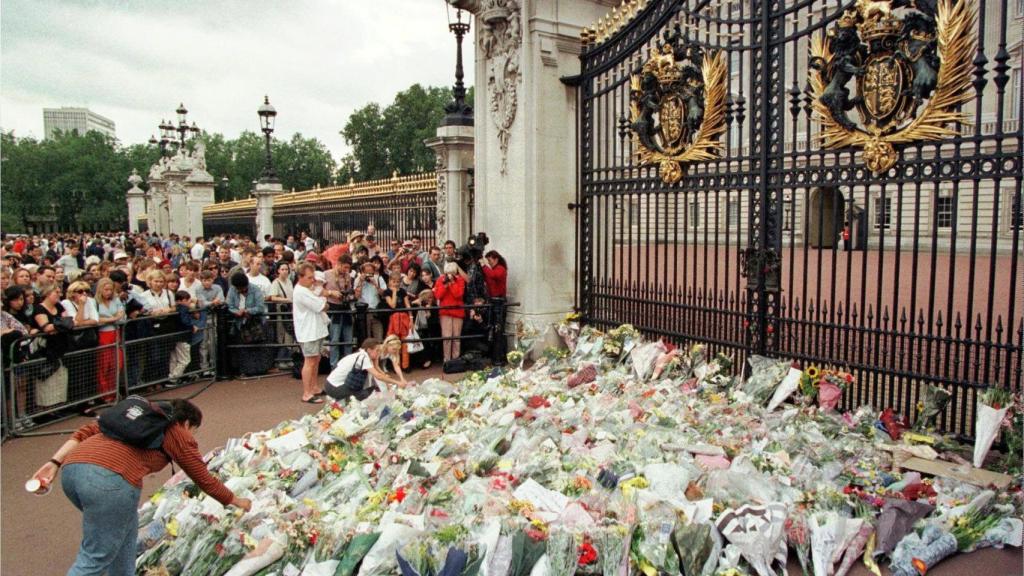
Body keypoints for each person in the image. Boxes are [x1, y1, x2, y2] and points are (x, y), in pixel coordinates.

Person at [27, 399, 251, 576]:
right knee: (96, 556)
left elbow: (84, 432)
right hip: (109, 482)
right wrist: (236, 500)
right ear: (187, 424)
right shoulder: (177, 432)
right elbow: (203, 478)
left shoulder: (134, 416)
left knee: (125, 535)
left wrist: (54, 462)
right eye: (194, 430)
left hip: (72, 471)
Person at [292, 263, 334, 403]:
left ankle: (314, 387)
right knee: (309, 361)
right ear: (300, 277)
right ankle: (307, 393)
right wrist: (323, 298)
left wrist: (321, 296)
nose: (313, 281)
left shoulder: (307, 289)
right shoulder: (301, 291)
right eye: (310, 278)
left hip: (316, 329)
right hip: (308, 331)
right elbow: (322, 306)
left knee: (316, 359)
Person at [324, 338, 404, 400]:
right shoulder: (364, 357)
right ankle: (343, 399)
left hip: (330, 384)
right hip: (334, 388)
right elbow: (378, 376)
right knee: (369, 393)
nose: (378, 353)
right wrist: (397, 382)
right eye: (377, 351)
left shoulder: (359, 354)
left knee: (370, 389)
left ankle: (345, 398)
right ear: (369, 350)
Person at [94, 278, 125, 403]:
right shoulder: (94, 302)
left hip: (115, 334)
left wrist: (107, 318)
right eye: (106, 289)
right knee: (103, 367)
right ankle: (104, 394)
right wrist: (113, 318)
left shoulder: (116, 300)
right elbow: (96, 319)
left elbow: (122, 316)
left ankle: (113, 392)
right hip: (103, 336)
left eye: (111, 290)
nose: (108, 292)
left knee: (117, 364)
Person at [324, 256, 355, 367]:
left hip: (345, 307)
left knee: (348, 339)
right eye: (345, 267)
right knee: (335, 339)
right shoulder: (326, 274)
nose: (346, 270)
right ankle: (334, 366)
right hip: (333, 307)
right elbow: (319, 290)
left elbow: (350, 291)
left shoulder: (347, 276)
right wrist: (331, 292)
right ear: (339, 264)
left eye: (348, 268)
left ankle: (348, 366)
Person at [433, 262, 466, 362]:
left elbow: (458, 294)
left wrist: (452, 283)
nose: (449, 275)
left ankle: (455, 360)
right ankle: (447, 360)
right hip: (445, 312)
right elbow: (438, 295)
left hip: (457, 311)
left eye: (452, 273)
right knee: (447, 337)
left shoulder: (460, 280)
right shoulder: (440, 280)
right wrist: (445, 285)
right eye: (447, 273)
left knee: (456, 337)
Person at [168, 290, 202, 386]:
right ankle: (173, 378)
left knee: (174, 358)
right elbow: (185, 321)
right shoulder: (183, 309)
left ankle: (172, 377)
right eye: (188, 301)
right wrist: (192, 327)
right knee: (185, 360)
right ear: (183, 300)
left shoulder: (175, 308)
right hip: (183, 337)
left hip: (175, 337)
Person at [354, 261, 386, 340]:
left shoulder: (379, 278)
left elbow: (384, 294)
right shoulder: (358, 280)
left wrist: (375, 284)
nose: (368, 275)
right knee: (366, 338)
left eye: (371, 273)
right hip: (364, 312)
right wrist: (361, 281)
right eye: (366, 273)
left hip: (376, 312)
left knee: (379, 337)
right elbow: (356, 296)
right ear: (362, 272)